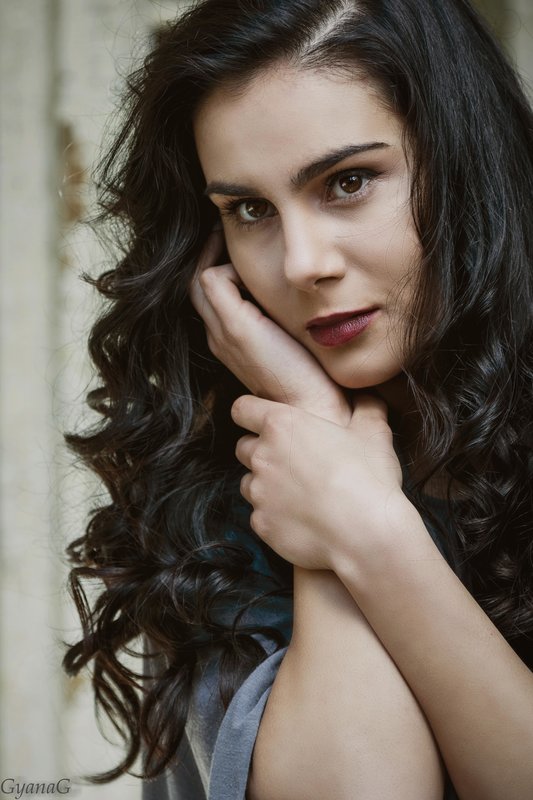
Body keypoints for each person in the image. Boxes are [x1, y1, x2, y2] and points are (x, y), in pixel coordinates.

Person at [62, 1, 533, 798]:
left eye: (347, 182)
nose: (301, 263)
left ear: (464, 168)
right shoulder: (211, 517)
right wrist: (313, 430)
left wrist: (364, 531)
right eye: (249, 210)